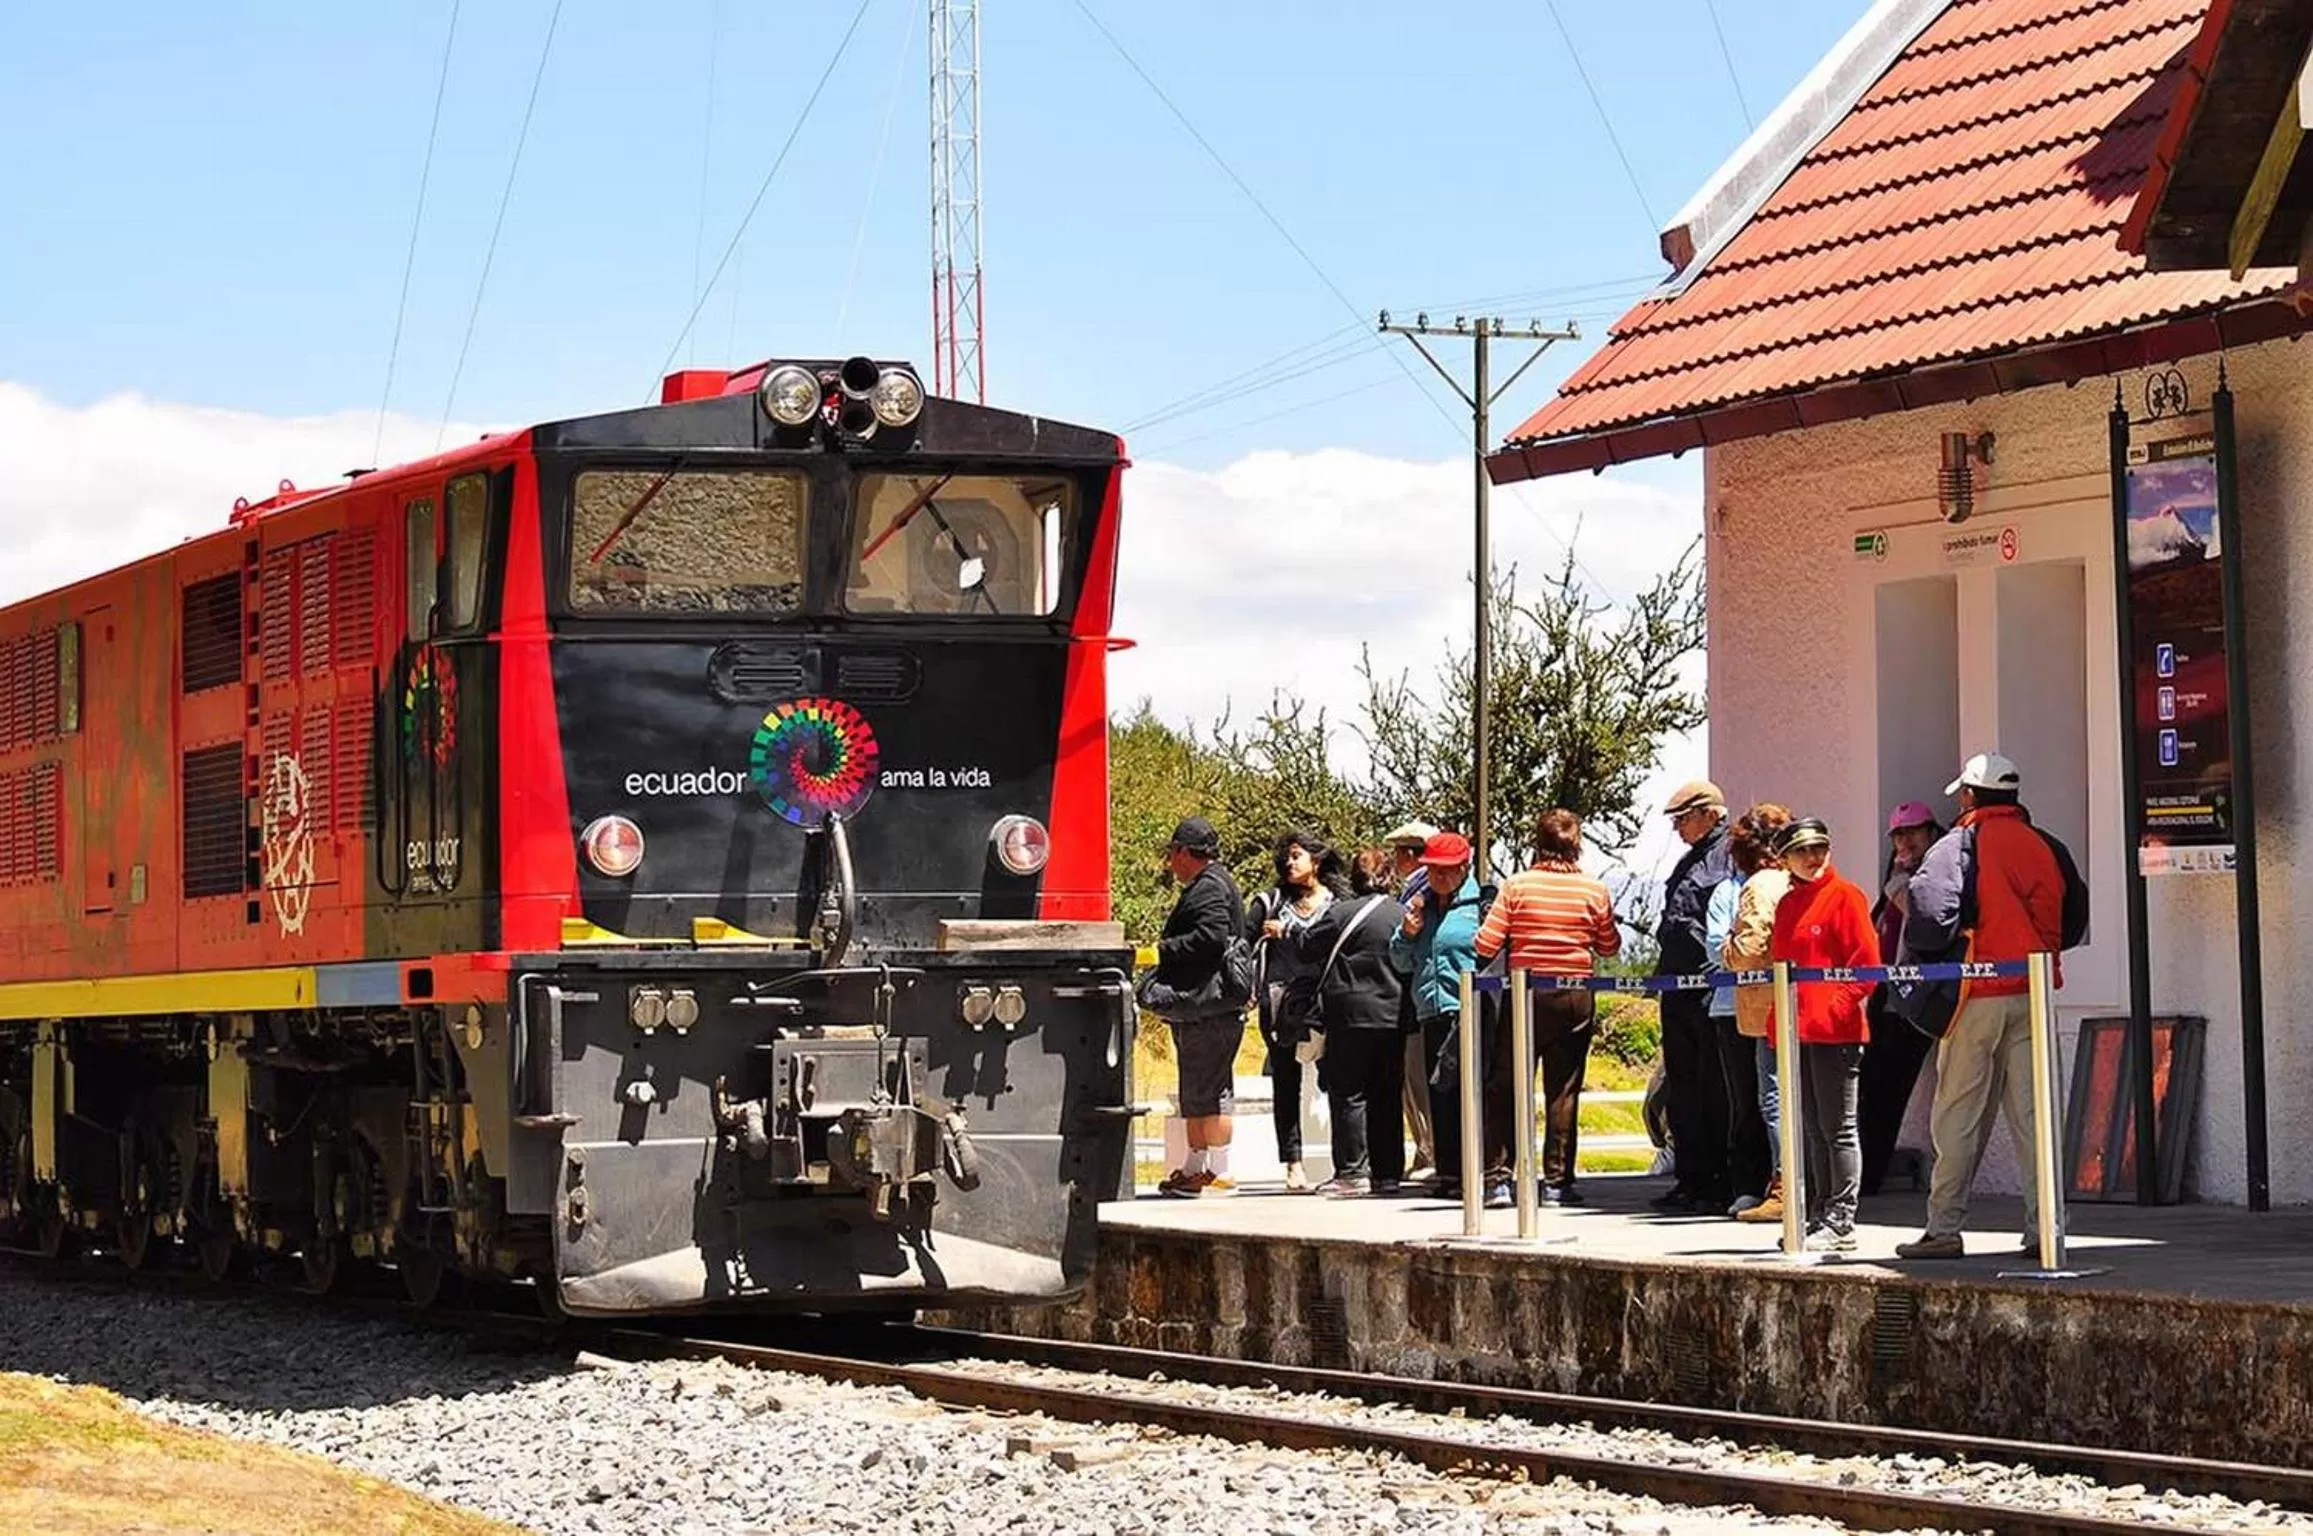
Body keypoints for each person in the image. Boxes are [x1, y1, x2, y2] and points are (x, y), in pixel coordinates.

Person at [1895, 753, 2073, 1260]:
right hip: (2033, 991)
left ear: (1972, 795)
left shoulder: (1958, 844)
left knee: (1957, 1115)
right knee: (2036, 1118)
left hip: (1977, 991)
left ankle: (1944, 1228)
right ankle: (2048, 1230)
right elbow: (2072, 912)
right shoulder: (2044, 843)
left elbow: (1929, 914)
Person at [1472, 809, 1620, 1205]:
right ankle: (1557, 1182)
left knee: (1506, 1084)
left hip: (1527, 991)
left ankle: (1499, 1178)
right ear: (1578, 844)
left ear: (1536, 841)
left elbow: (1485, 945)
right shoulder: (1595, 890)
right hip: (1575, 994)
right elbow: (1609, 945)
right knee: (1564, 1089)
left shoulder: (1517, 885)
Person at [1766, 818, 1879, 1252]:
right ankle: (1819, 1210)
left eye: (1819, 848)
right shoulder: (1788, 904)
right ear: (1785, 860)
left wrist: (1837, 1005)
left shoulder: (1846, 896)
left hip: (1836, 1032)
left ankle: (1842, 1216)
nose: (1813, 858)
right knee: (1812, 1128)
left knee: (1839, 1127)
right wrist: (1781, 1023)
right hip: (1799, 1031)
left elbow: (1866, 965)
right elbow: (1782, 969)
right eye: (1802, 851)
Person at [1294, 848, 1407, 1196]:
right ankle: (1388, 1172)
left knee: (1349, 1093)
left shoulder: (1340, 913)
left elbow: (1306, 947)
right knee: (1387, 1093)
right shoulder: (1401, 915)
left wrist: (1289, 930)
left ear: (1355, 879)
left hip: (1348, 1015)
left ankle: (1352, 1171)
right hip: (1393, 1014)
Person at [1150, 816, 1248, 1198]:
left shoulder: (1209, 888)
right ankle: (1194, 1167)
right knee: (1196, 1088)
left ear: (1184, 852)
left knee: (1212, 1088)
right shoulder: (1210, 884)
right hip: (1203, 1006)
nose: (1171, 862)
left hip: (1212, 1004)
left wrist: (1162, 950)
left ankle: (1220, 1171)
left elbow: (1210, 938)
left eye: (1173, 853)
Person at [1388, 831, 1488, 1203]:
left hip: (1469, 1010)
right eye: (1433, 870)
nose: (1439, 877)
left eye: (1447, 870)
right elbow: (1398, 960)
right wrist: (1408, 933)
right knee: (1438, 1093)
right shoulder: (1420, 904)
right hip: (1431, 1010)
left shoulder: (1481, 903)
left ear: (1464, 868)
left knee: (1468, 1091)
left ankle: (1475, 1169)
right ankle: (1448, 1172)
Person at [1652, 781, 1734, 1214]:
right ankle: (1690, 1177)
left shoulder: (1728, 855)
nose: (1679, 828)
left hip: (1706, 989)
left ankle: (1716, 1179)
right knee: (1682, 1088)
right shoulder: (1691, 859)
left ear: (1710, 814)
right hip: (1677, 987)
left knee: (1711, 1088)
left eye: (1683, 819)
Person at [1248, 831, 1344, 1192]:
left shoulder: (1337, 903)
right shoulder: (1269, 903)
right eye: (1286, 857)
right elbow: (1243, 945)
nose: (1290, 862)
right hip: (1280, 1002)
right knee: (1286, 1084)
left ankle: (1344, 1160)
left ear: (1316, 861)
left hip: (1324, 1002)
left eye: (1297, 855)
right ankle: (1293, 1162)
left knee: (1334, 1080)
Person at [1860, 801, 1944, 1197]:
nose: (1904, 841)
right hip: (1887, 998)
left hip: (1919, 998)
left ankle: (1868, 1175)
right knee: (1871, 1088)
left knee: (1889, 1090)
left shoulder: (1934, 877)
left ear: (1931, 834)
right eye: (1897, 834)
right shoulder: (1894, 877)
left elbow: (1928, 924)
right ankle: (1863, 1173)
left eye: (1912, 832)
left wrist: (1899, 891)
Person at [1720, 803, 1793, 1224]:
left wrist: (1726, 949)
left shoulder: (1759, 885)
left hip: (1767, 1005)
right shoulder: (1797, 877)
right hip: (1802, 1003)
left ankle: (1784, 1187)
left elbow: (1747, 951)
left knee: (1774, 1098)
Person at [1385, 821, 1441, 1182]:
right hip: (1414, 1000)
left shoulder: (1421, 890)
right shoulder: (1415, 887)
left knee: (1420, 1078)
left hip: (1417, 999)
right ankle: (1425, 1149)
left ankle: (1430, 1150)